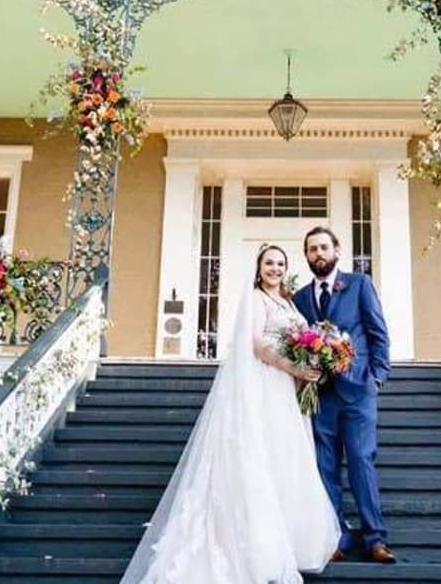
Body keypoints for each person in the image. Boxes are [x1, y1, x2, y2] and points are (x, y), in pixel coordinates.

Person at [121, 245, 341, 584]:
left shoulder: (288, 302)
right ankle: (255, 546)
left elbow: (301, 337)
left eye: (280, 264)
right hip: (266, 385)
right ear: (258, 267)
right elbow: (255, 343)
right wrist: (294, 366)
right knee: (261, 458)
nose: (275, 268)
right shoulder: (256, 298)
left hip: (286, 391)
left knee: (285, 460)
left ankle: (285, 539)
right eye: (269, 263)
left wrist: (309, 364)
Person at [294, 226, 396, 564]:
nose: (318, 254)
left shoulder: (359, 285)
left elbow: (378, 332)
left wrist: (377, 377)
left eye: (324, 247)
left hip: (357, 391)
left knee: (360, 461)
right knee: (324, 467)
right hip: (320, 395)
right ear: (307, 255)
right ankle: (335, 535)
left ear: (337, 250)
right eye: (312, 249)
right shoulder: (300, 298)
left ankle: (375, 539)